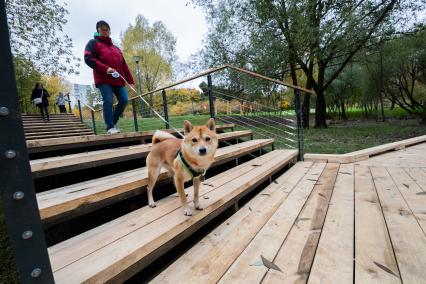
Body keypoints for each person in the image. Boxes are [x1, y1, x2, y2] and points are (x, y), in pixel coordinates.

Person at [84, 20, 135, 134]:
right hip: (103, 79)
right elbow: (88, 58)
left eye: (106, 29)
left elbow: (124, 65)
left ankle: (113, 121)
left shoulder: (116, 48)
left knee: (124, 100)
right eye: (102, 29)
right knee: (108, 99)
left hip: (118, 79)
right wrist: (106, 68)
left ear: (110, 31)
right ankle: (110, 127)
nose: (104, 31)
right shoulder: (93, 43)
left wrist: (130, 81)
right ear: (98, 31)